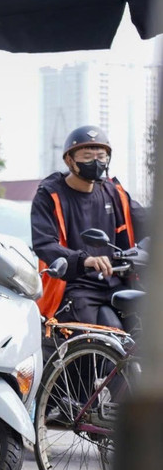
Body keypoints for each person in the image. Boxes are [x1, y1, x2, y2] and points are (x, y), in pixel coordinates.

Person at [31, 125, 146, 329]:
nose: (96, 162)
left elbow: (144, 221)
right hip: (76, 287)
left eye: (101, 156)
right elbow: (44, 244)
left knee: (145, 327)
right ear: (69, 160)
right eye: (87, 156)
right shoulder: (50, 195)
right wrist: (86, 260)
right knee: (94, 346)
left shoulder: (114, 192)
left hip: (116, 283)